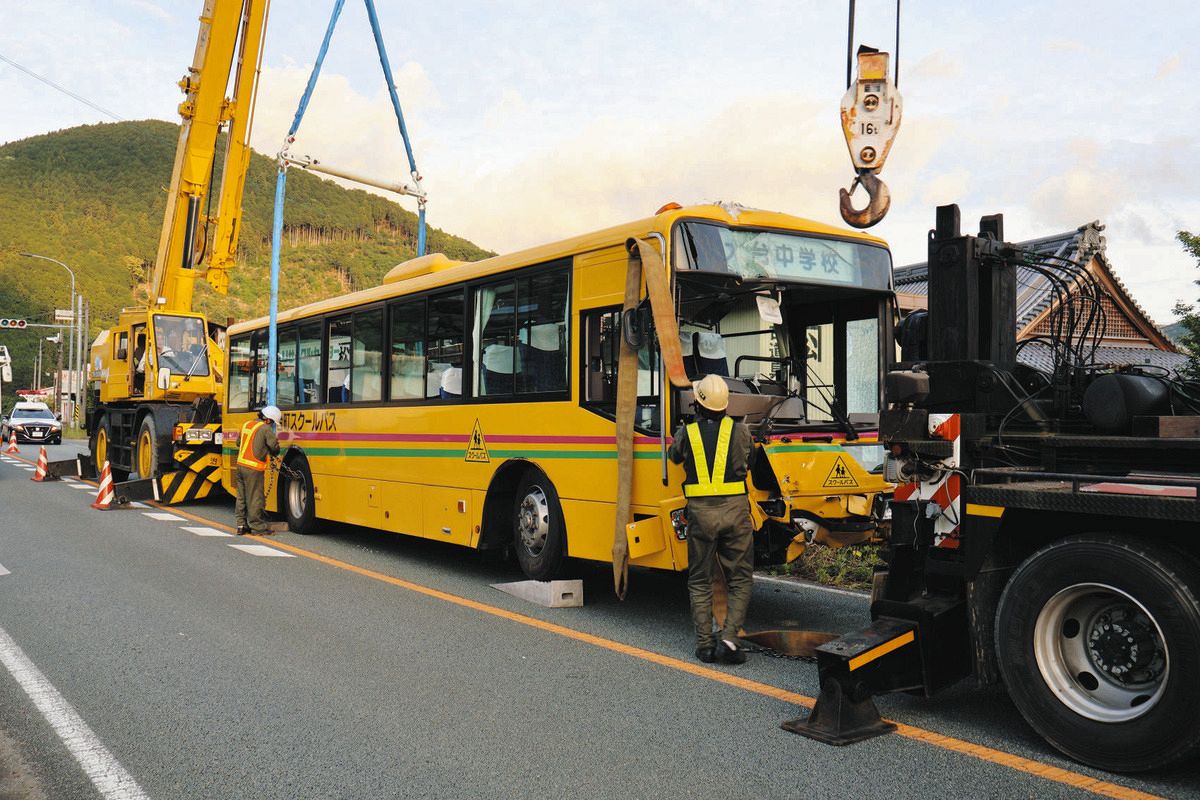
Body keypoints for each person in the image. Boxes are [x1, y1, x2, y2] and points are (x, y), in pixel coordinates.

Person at [668, 374, 755, 665]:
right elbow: (751, 462)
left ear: (698, 403)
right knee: (739, 578)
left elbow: (674, 456)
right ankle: (729, 639)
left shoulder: (687, 433)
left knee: (700, 580)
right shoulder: (741, 432)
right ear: (726, 404)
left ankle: (705, 646)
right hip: (736, 513)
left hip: (701, 516)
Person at [235, 405, 282, 536]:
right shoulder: (265, 429)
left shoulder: (247, 424)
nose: (272, 425)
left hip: (240, 466)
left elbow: (238, 443)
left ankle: (241, 525)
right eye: (272, 423)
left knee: (241, 497)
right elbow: (274, 447)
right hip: (253, 468)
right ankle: (257, 527)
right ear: (268, 419)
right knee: (255, 497)